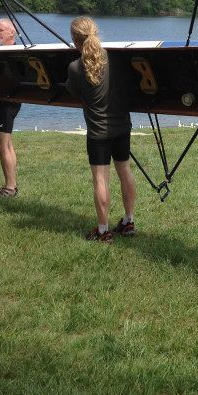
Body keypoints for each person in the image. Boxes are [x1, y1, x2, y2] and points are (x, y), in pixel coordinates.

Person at [65, 16, 137, 243]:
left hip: (98, 133)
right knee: (124, 171)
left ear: (75, 40)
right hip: (122, 127)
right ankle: (128, 221)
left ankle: (103, 230)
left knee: (100, 180)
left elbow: (75, 92)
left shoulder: (75, 68)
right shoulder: (116, 59)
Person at [0, 18, 21, 198]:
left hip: (9, 101)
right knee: (6, 144)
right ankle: (11, 185)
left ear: (11, 32)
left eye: (1, 30)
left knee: (1, 145)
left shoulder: (14, 53)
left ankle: (10, 188)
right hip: (3, 99)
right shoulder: (2, 52)